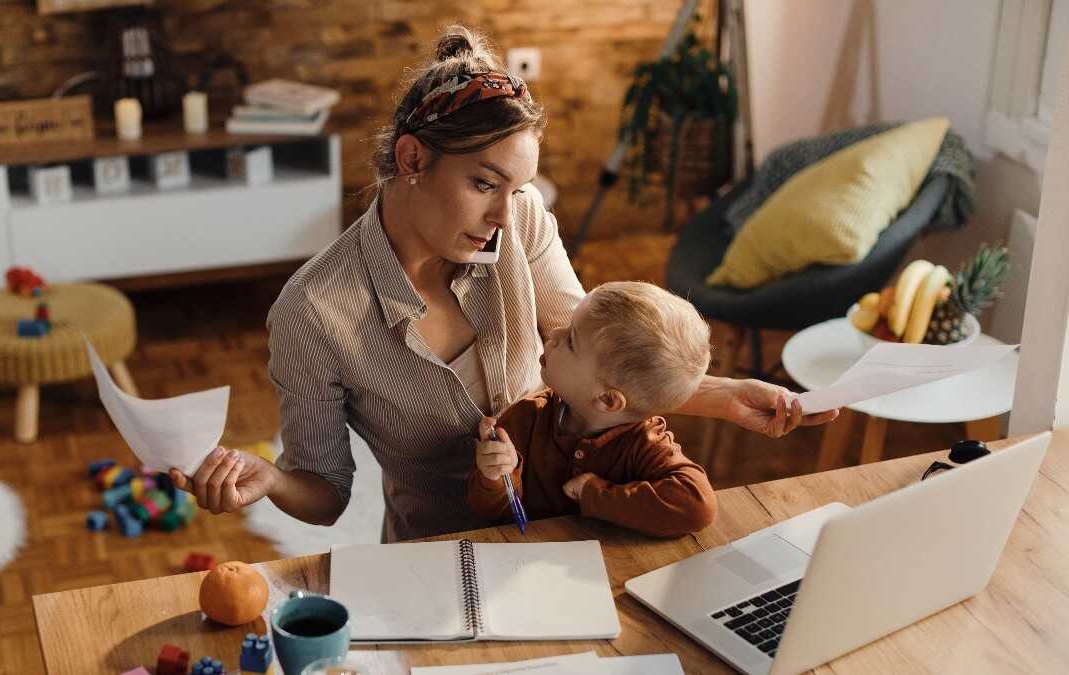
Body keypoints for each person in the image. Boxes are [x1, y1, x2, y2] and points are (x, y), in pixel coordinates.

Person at [171, 26, 838, 542]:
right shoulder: (314, 313)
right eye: (484, 183)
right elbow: (327, 492)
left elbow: (600, 352)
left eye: (515, 188)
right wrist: (273, 482)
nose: (503, 214)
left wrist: (720, 397)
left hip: (569, 537)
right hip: (439, 556)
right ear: (412, 159)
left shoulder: (518, 218)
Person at [468, 281, 717, 537]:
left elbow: (698, 506)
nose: (554, 333)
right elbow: (490, 512)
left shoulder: (647, 443)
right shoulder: (524, 419)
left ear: (608, 400)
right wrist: (495, 477)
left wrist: (595, 494)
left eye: (571, 341)